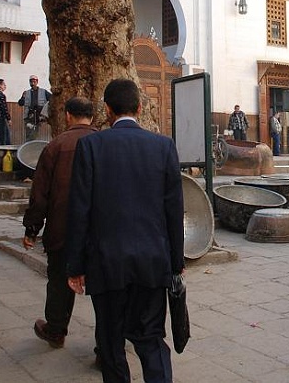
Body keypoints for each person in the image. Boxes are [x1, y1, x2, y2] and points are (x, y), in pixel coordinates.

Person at [65, 79, 184, 383]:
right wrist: (176, 261)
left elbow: (79, 211)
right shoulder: (163, 146)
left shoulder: (91, 145)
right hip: (152, 262)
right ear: (140, 107)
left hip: (106, 263)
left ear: (107, 110)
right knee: (151, 337)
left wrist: (75, 266)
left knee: (110, 341)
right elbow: (174, 210)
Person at [22, 97, 97, 349]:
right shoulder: (104, 143)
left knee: (58, 280)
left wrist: (32, 229)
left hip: (62, 227)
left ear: (67, 116)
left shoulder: (55, 146)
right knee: (103, 287)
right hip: (99, 230)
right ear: (93, 117)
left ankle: (56, 330)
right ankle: (106, 343)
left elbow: (39, 194)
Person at [19, 75, 51, 141]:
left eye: (34, 81)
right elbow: (20, 103)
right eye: (31, 82)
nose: (33, 83)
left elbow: (51, 99)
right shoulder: (26, 93)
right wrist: (23, 97)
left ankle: (31, 146)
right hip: (29, 116)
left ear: (37, 82)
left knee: (34, 134)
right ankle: (28, 147)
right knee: (29, 134)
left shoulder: (44, 92)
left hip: (39, 117)